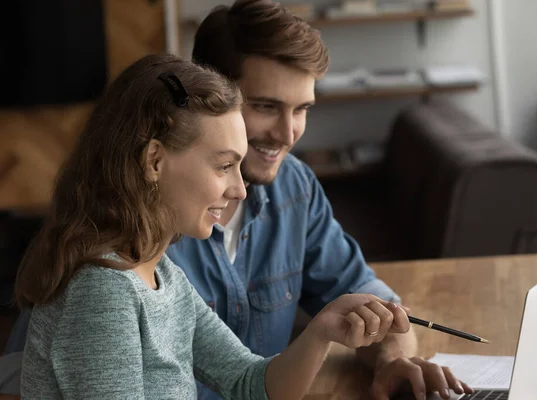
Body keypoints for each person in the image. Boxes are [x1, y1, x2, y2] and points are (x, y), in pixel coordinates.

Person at [0, 1, 473, 399]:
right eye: (265, 106)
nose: (288, 135)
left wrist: (324, 331)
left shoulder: (160, 270)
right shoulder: (107, 285)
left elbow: (250, 380)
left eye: (302, 109)